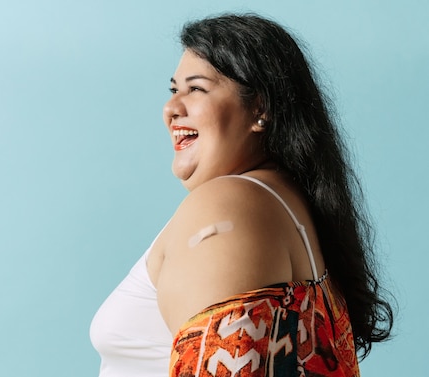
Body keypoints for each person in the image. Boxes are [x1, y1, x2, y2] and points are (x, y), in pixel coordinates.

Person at [90, 13, 394, 377]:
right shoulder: (285, 204)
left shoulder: (225, 208)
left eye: (196, 89)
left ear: (260, 109)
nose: (171, 109)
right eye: (174, 90)